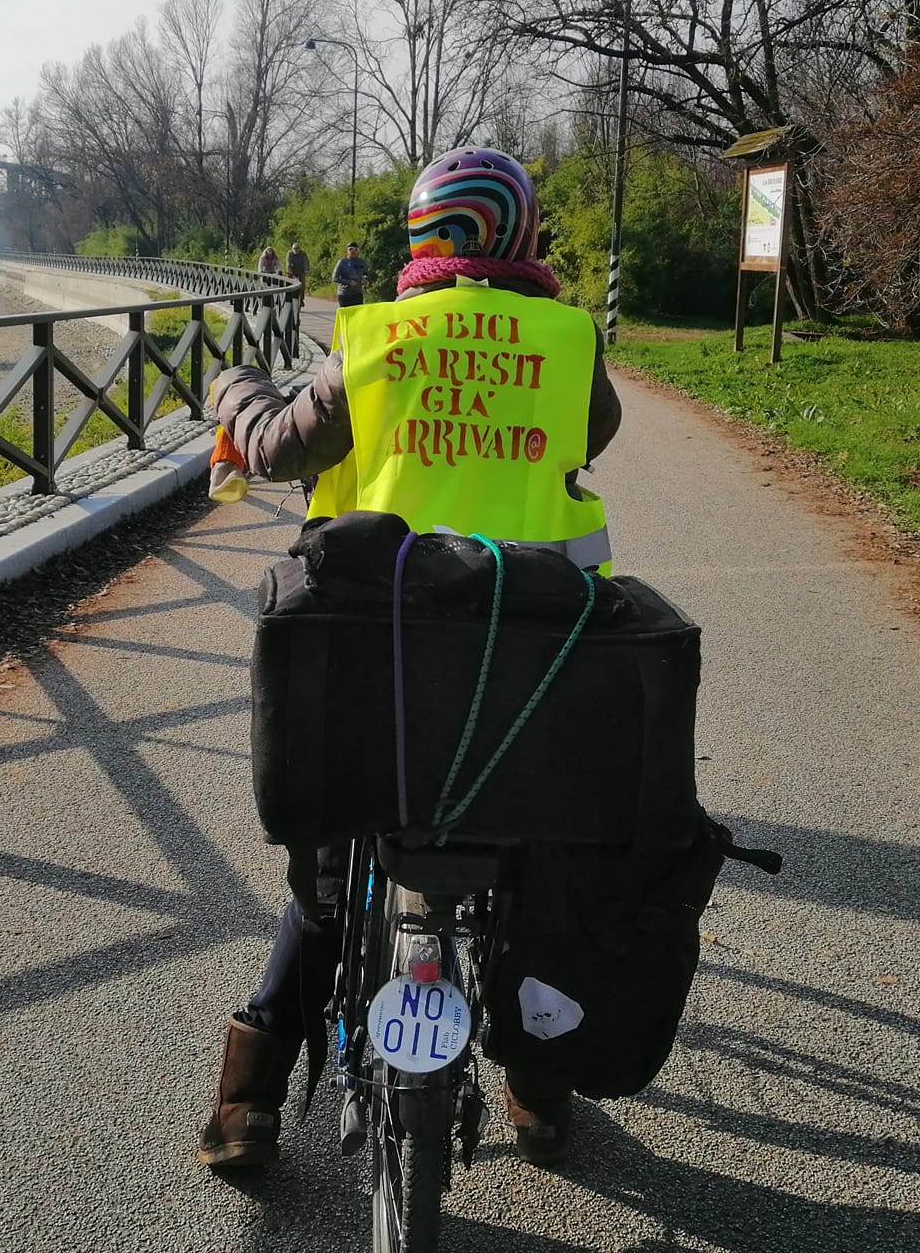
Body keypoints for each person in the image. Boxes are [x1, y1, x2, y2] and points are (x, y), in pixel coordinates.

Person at [198, 147, 620, 1173]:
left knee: (332, 873)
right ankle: (536, 1089)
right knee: (528, 859)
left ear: (419, 235)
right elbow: (591, 434)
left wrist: (231, 392)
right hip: (520, 668)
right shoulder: (570, 343)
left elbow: (282, 450)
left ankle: (248, 1101)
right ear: (520, 236)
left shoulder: (376, 336)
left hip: (371, 659)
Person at [331, 241, 368, 307]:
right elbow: (335, 278)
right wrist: (348, 282)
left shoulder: (361, 262)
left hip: (357, 294)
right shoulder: (342, 262)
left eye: (355, 249)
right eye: (350, 249)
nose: (353, 251)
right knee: (346, 315)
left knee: (357, 315)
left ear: (358, 251)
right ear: (347, 251)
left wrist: (365, 279)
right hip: (344, 294)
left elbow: (365, 274)